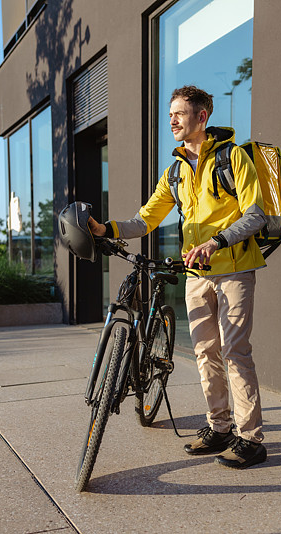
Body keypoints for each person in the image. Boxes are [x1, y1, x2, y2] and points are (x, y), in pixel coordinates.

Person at [87, 85, 268, 469]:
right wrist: (106, 229)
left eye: (180, 113)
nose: (172, 120)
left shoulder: (233, 158)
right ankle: (219, 427)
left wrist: (217, 241)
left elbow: (256, 216)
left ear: (201, 117)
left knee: (235, 353)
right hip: (196, 274)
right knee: (205, 353)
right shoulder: (175, 171)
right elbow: (145, 219)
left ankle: (250, 438)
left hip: (234, 269)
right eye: (170, 113)